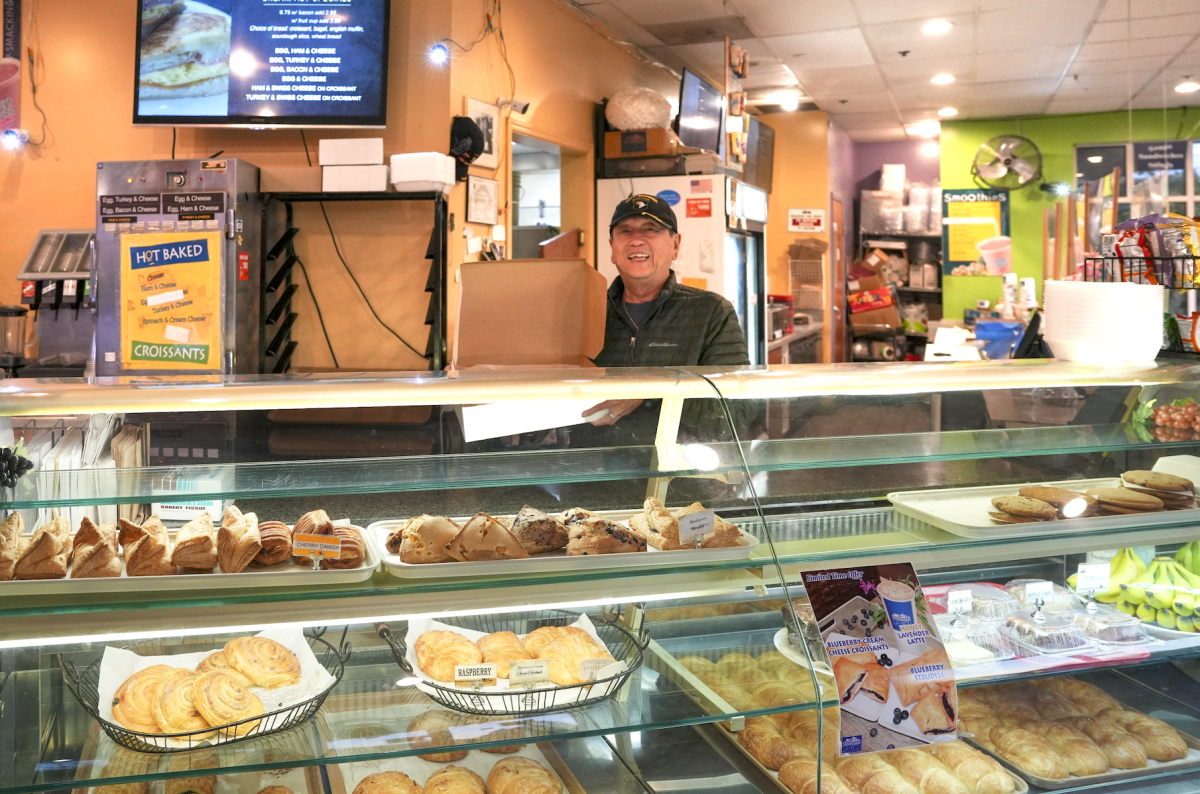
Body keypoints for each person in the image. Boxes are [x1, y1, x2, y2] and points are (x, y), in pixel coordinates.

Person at [585, 194, 750, 427]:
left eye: (650, 229)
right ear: (612, 248)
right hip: (593, 461)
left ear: (675, 245)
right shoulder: (584, 312)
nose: (636, 240)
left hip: (678, 460)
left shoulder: (711, 312)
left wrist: (651, 393)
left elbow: (737, 411)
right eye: (625, 231)